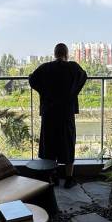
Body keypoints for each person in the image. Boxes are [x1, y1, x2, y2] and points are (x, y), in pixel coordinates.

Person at [29, 43, 87, 188]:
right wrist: (72, 93)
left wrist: (44, 92)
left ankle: (52, 177)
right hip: (66, 112)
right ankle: (69, 179)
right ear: (66, 54)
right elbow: (83, 76)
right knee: (68, 143)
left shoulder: (45, 68)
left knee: (49, 144)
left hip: (49, 112)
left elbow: (32, 79)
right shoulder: (73, 67)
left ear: (55, 54)